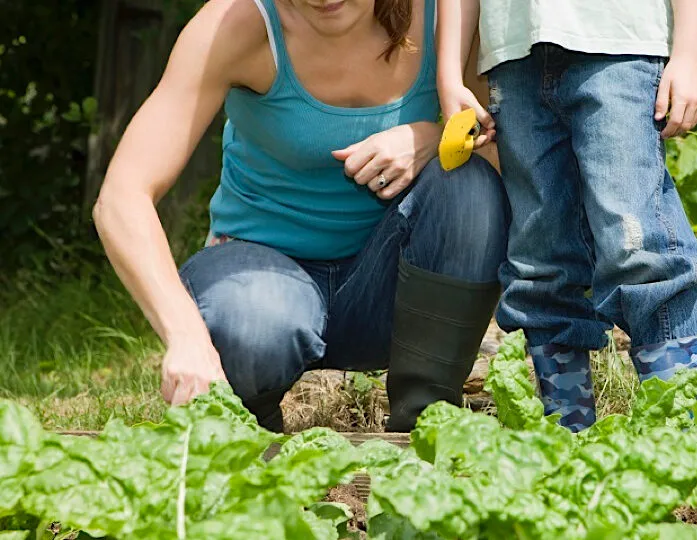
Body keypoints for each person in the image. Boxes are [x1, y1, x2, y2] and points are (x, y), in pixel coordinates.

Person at [93, 0, 508, 433]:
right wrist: (186, 337)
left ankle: (426, 426)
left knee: (471, 186)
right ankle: (250, 437)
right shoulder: (235, 25)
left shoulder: (446, 18)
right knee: (251, 325)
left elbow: (502, 155)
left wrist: (433, 136)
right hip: (261, 282)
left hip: (391, 289)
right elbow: (121, 196)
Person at [437, 0, 697, 432]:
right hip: (513, 60)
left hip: (619, 42)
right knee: (539, 257)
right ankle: (568, 441)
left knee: (638, 246)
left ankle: (693, 434)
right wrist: (449, 73)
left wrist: (690, 50)